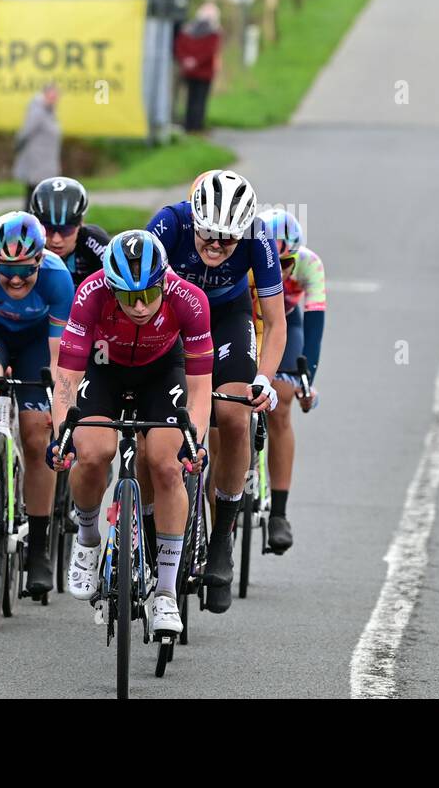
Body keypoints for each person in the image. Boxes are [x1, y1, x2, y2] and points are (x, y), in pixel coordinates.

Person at [48, 229, 212, 637]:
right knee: (93, 452)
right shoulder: (89, 294)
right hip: (106, 368)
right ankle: (86, 538)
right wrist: (60, 435)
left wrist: (196, 440)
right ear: (109, 286)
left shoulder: (190, 300)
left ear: (163, 281)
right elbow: (66, 378)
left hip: (162, 370)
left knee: (166, 464)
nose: (138, 307)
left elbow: (200, 389)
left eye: (146, 295)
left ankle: (167, 594)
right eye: (126, 297)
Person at [147, 170, 285, 613]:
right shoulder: (169, 224)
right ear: (195, 219)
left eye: (229, 240)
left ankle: (222, 535)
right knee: (156, 422)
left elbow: (276, 322)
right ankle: (152, 532)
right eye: (210, 234)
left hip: (226, 316)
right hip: (169, 316)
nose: (218, 246)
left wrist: (264, 379)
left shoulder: (259, 239)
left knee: (234, 415)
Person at [0, 212, 74, 598]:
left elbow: (60, 361)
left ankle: (38, 549)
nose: (16, 279)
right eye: (6, 270)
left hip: (38, 344)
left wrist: (60, 417)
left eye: (25, 269)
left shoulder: (58, 279)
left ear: (40, 260)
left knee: (38, 436)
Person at [255, 210, 325, 554]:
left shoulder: (310, 265)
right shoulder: (248, 256)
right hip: (247, 318)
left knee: (281, 403)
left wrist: (306, 380)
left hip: (286, 321)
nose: (280, 271)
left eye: (288, 263)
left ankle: (279, 515)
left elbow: (314, 326)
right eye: (274, 261)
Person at [29, 176, 110, 287]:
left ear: (81, 223)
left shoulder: (94, 241)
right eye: (48, 229)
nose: (56, 240)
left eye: (66, 230)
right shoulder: (27, 243)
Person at [173, 4, 222, 133]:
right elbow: (210, 51)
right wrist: (196, 61)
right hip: (204, 71)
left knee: (190, 98)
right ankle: (196, 126)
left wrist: (186, 60)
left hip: (190, 71)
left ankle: (189, 125)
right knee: (200, 100)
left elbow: (179, 46)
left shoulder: (188, 30)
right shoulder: (213, 32)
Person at [13, 84, 62, 195]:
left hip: (47, 160)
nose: (54, 99)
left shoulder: (50, 112)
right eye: (52, 96)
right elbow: (25, 132)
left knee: (41, 191)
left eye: (56, 97)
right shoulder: (38, 112)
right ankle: (29, 212)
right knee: (34, 191)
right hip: (37, 160)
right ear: (44, 95)